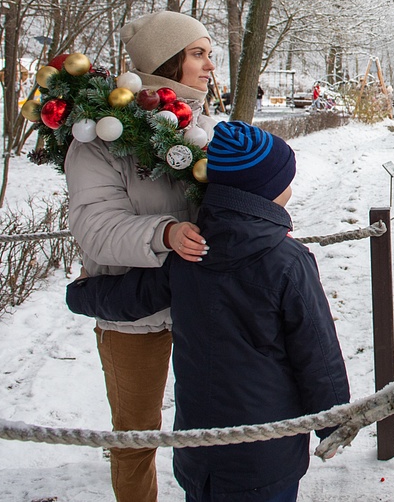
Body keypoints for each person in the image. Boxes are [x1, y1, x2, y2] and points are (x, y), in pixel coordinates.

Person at [67, 121, 351, 502]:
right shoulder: (288, 261)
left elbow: (131, 298)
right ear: (267, 192)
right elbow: (317, 351)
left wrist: (81, 293)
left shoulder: (188, 253)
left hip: (198, 453)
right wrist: (335, 421)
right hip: (267, 455)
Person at [64, 10, 215, 502]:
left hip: (202, 304)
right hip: (135, 311)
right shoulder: (102, 139)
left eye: (209, 54)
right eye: (198, 54)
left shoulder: (204, 128)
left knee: (217, 424)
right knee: (135, 434)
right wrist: (165, 233)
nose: (210, 65)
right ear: (167, 63)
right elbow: (95, 229)